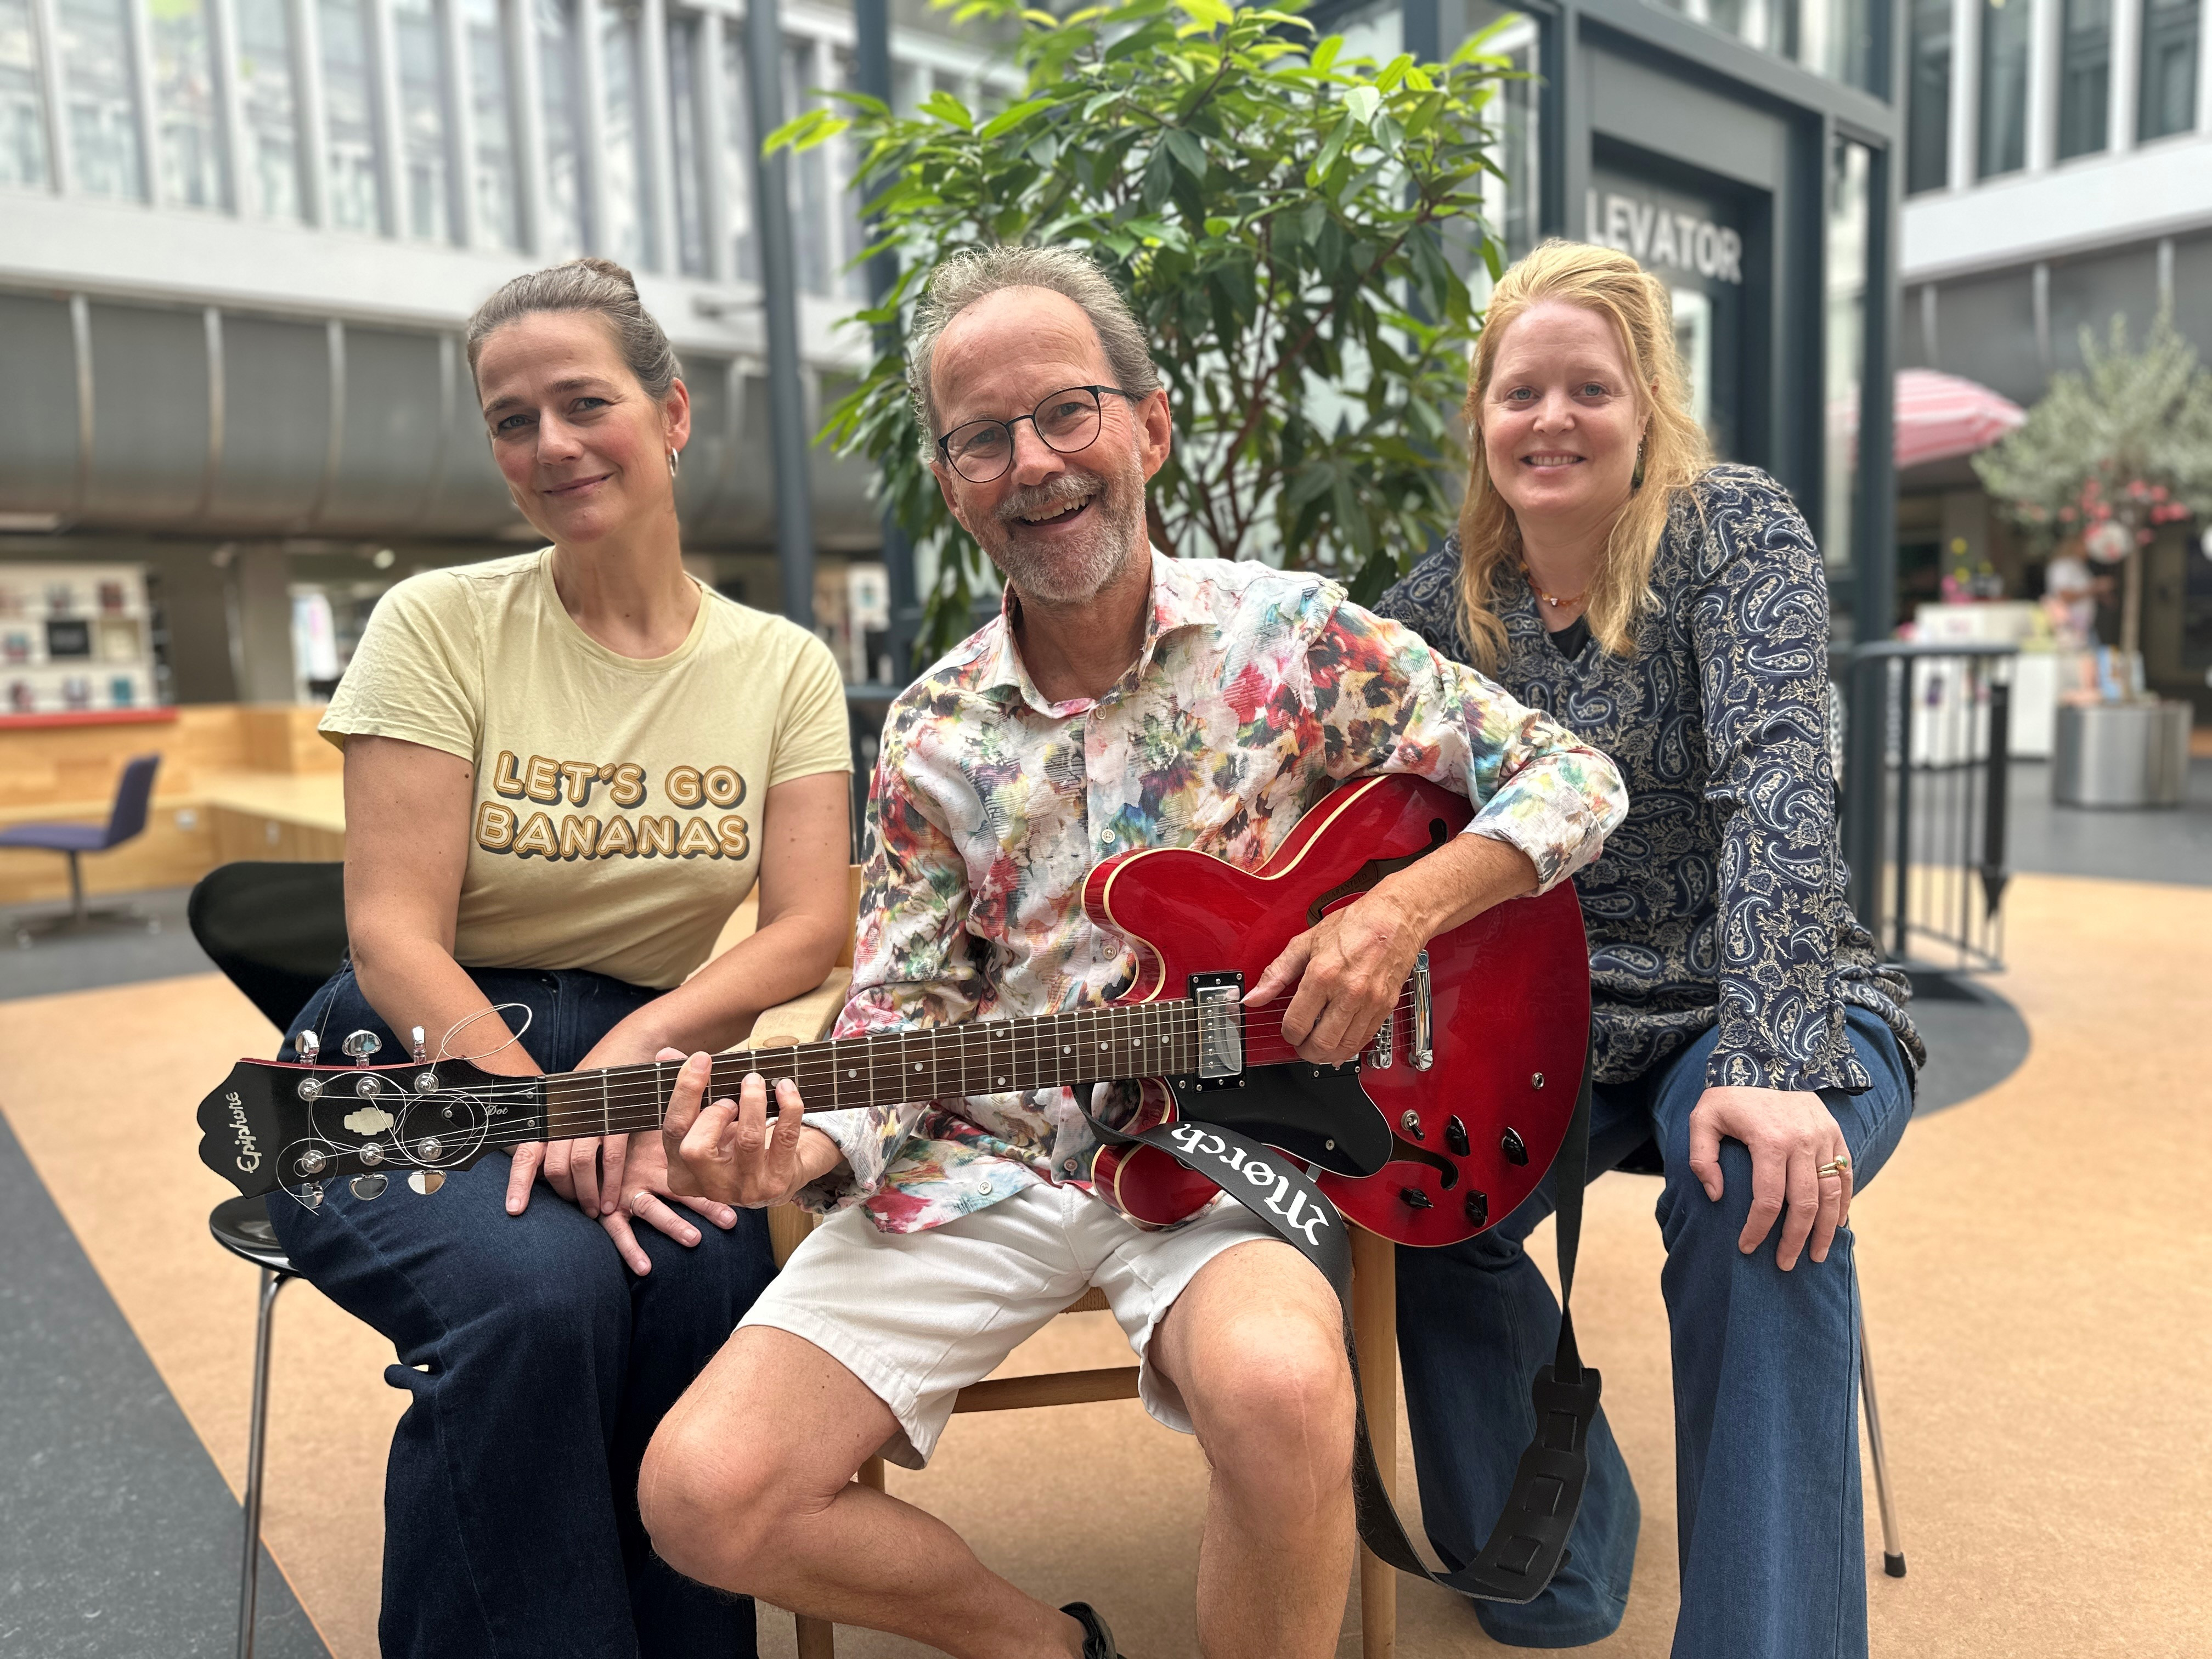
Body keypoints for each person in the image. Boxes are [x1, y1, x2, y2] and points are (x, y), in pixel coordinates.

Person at [630, 245, 1628, 1659]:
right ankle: (1043, 1648)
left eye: (1067, 413)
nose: (1033, 464)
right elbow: (898, 1006)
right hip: (985, 1152)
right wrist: (789, 1152)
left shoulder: (1296, 642)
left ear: (1150, 425)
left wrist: (1396, 915)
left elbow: (1572, 779)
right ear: (950, 477)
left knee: (1288, 1396)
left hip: (1235, 1153)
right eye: (983, 438)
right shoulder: (930, 731)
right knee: (702, 1497)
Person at [267, 257, 855, 1659]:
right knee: (543, 1300)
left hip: (638, 1052)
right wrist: (541, 1102)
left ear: (672, 413)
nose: (550, 446)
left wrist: (634, 1060)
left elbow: (810, 924)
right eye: (511, 419)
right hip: (405, 1052)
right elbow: (391, 934)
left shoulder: (781, 665)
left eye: (583, 402)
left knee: (709, 1284)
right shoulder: (439, 622)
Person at [1374, 240, 1925, 1659]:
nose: (1550, 419)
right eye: (1519, 392)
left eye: (1589, 389)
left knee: (1759, 1185)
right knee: (1414, 1190)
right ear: (1481, 419)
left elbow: (1782, 784)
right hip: (1551, 1014)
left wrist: (1775, 1056)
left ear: (1648, 408)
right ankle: (1556, 1554)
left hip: (1771, 988)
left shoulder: (1734, 533)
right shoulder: (1439, 608)